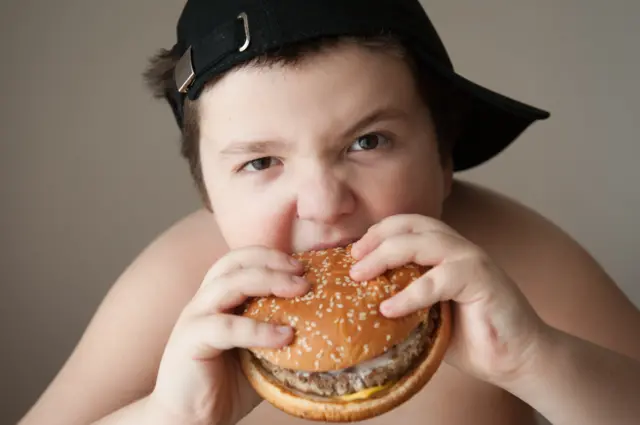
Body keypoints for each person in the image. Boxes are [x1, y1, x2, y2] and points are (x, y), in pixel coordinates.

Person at [18, 1, 640, 424]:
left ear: (443, 158)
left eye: (367, 142)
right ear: (209, 194)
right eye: (261, 162)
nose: (324, 207)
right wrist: (169, 415)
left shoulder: (511, 260)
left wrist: (535, 358)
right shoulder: (179, 287)